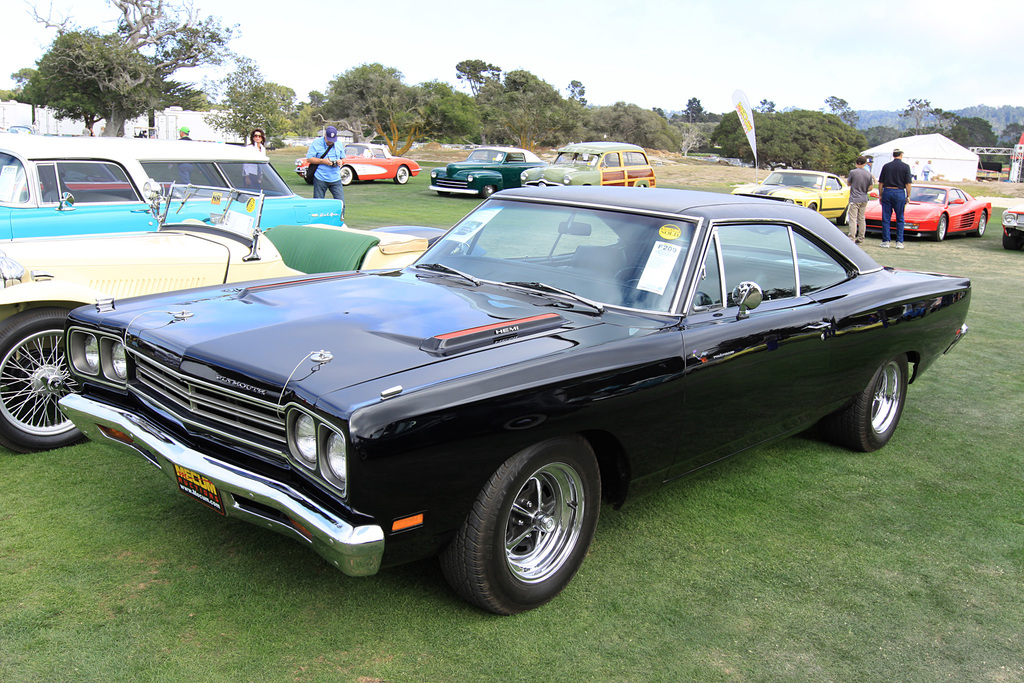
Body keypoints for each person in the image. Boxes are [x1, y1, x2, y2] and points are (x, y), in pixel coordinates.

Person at [877, 149, 913, 249]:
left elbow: (881, 183)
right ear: (901, 155)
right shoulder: (905, 167)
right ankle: (899, 241)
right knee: (900, 217)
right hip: (899, 192)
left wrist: (880, 194)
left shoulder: (886, 166)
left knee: (886, 217)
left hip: (887, 191)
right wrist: (908, 196)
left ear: (893, 155)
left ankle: (886, 240)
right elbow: (908, 183)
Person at [305, 125, 345, 202]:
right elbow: (309, 159)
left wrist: (341, 161)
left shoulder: (339, 144)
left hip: (336, 178)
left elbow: (343, 158)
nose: (330, 142)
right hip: (320, 178)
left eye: (332, 140)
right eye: (329, 140)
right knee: (318, 203)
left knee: (341, 203)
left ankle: (341, 214)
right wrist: (323, 161)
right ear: (325, 135)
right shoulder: (316, 143)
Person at [846, 156, 873, 244]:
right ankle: (861, 237)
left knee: (853, 218)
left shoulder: (853, 172)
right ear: (865, 163)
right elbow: (871, 187)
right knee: (861, 218)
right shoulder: (868, 174)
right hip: (864, 198)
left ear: (857, 163)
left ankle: (852, 237)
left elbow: (849, 183)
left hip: (855, 198)